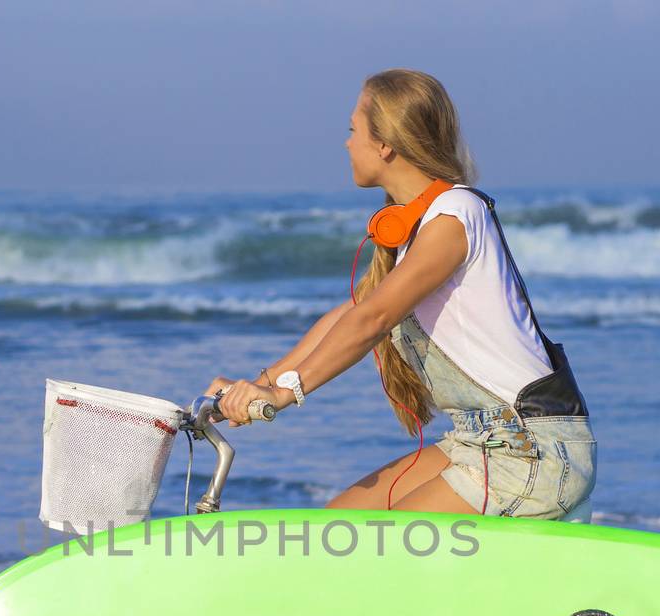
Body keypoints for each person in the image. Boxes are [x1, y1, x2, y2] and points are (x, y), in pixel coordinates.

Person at [205, 69, 596, 519]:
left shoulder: (455, 216)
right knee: (337, 523)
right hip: (478, 441)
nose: (347, 143)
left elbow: (373, 319)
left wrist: (286, 395)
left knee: (369, 549)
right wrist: (261, 383)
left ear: (385, 143)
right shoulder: (417, 228)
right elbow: (349, 314)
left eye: (354, 131)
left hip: (530, 454)